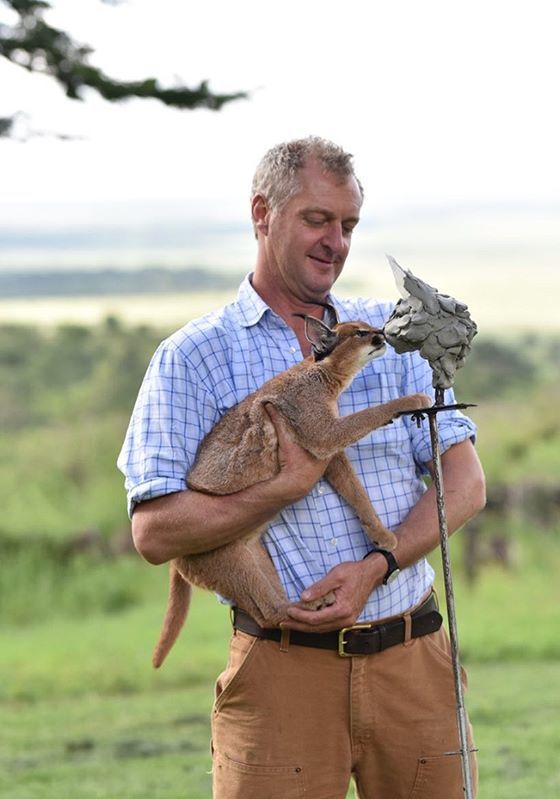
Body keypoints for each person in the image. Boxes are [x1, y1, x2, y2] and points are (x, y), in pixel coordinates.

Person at [118, 135, 486, 799]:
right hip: (282, 667)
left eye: (348, 226)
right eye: (316, 219)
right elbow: (153, 534)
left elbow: (465, 485)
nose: (335, 242)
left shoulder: (388, 334)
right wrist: (284, 486)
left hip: (414, 656)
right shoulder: (193, 356)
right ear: (262, 214)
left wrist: (379, 562)